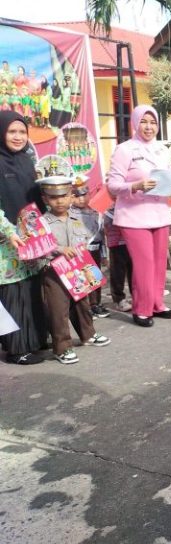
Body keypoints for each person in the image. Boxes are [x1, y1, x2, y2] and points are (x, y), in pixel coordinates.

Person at [107, 105, 171, 327]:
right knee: (144, 263)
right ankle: (142, 308)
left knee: (159, 263)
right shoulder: (124, 150)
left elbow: (167, 179)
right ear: (135, 123)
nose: (149, 127)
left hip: (160, 214)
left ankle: (157, 304)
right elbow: (113, 185)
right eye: (144, 122)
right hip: (133, 216)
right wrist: (136, 185)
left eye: (153, 122)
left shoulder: (162, 149)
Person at [39, 178, 111, 364]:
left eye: (64, 196)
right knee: (58, 309)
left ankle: (89, 334)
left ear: (71, 196)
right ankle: (62, 347)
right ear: (45, 199)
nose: (60, 201)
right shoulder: (41, 223)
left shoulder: (80, 217)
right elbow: (36, 247)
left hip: (78, 268)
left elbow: (90, 237)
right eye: (53, 197)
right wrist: (59, 249)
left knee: (82, 303)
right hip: (54, 270)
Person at [0, 111, 47, 365]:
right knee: (14, 294)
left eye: (22, 132)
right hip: (6, 243)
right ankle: (16, 349)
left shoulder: (27, 162)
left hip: (31, 237)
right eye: (11, 131)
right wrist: (9, 232)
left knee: (32, 289)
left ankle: (36, 339)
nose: (18, 137)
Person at [70, 177, 109, 318]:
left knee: (95, 279)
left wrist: (104, 255)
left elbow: (102, 235)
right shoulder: (69, 214)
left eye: (84, 195)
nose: (81, 199)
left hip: (95, 250)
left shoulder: (96, 214)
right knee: (82, 280)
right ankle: (85, 308)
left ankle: (96, 304)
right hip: (79, 253)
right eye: (76, 196)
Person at [103, 205, 133, 311]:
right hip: (116, 244)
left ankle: (135, 295)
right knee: (117, 273)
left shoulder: (128, 204)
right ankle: (119, 299)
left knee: (134, 271)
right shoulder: (107, 210)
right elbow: (106, 227)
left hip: (132, 242)